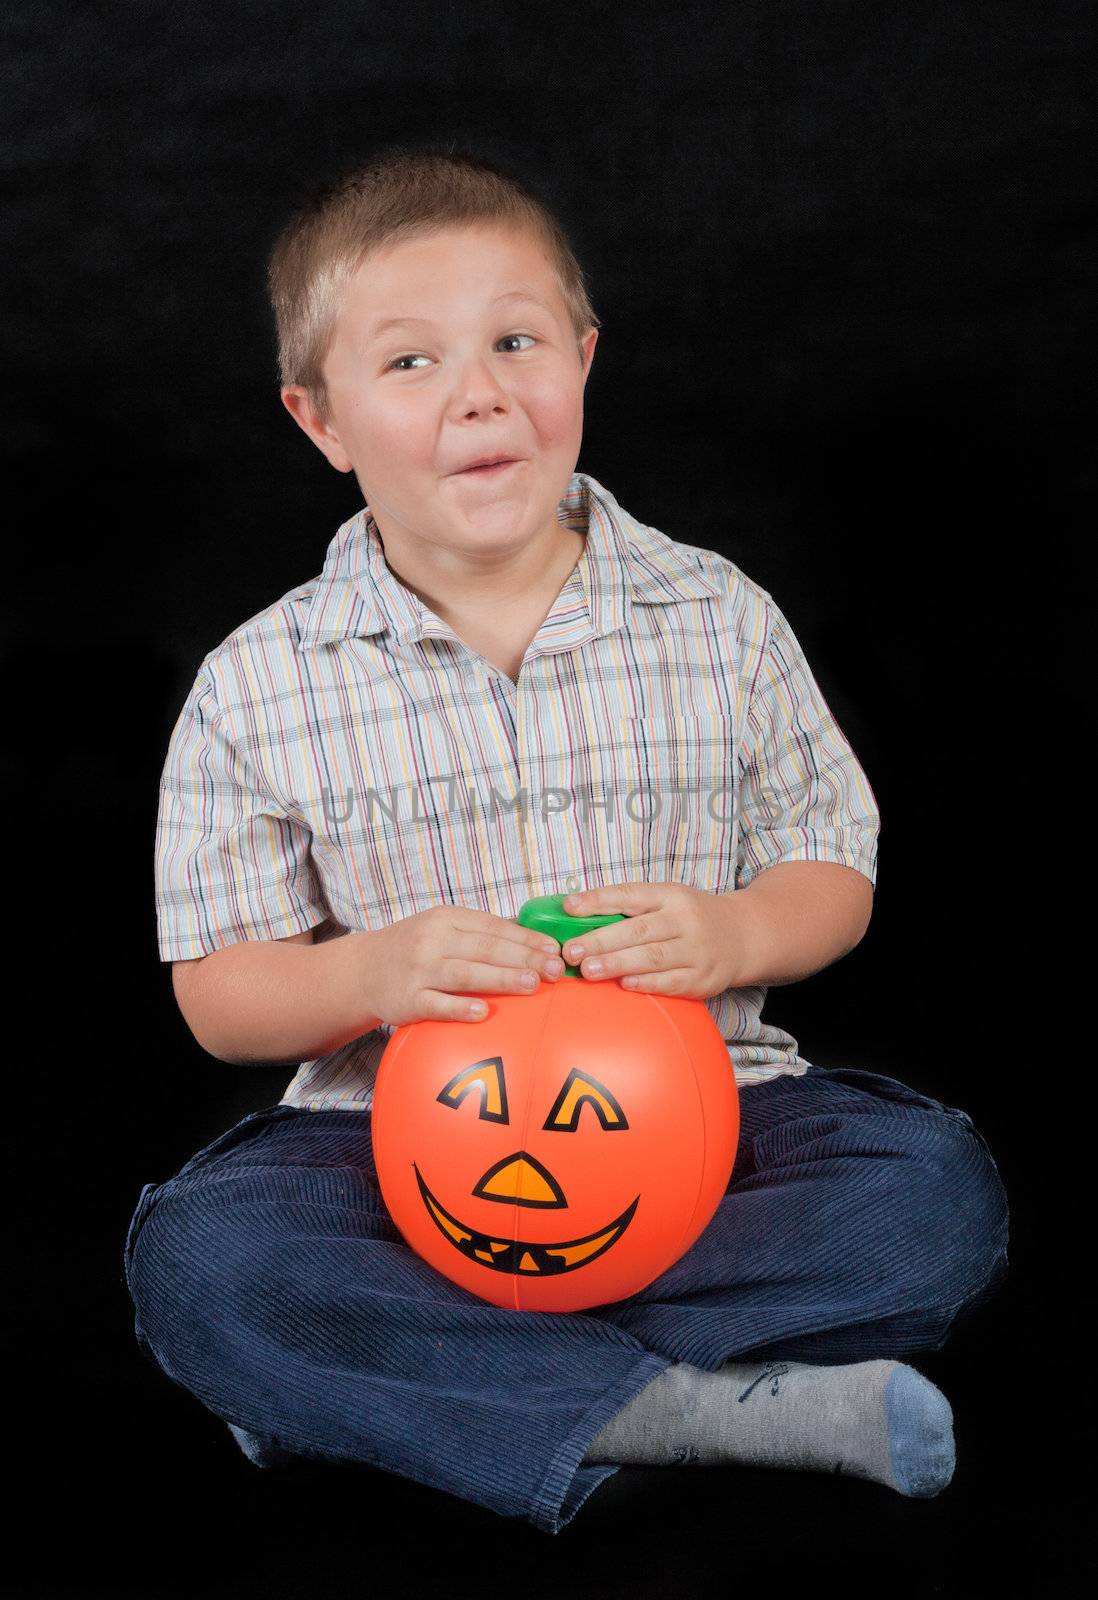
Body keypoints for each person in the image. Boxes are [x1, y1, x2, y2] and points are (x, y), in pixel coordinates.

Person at [124, 144, 1010, 1536]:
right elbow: (221, 995)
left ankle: (395, 1382)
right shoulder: (260, 680)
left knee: (929, 1201)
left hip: (710, 1120)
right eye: (409, 363)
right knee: (203, 1261)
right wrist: (371, 973)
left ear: (582, 362)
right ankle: (694, 1412)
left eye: (516, 340)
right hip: (390, 1153)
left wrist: (732, 932)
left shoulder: (715, 617)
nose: (478, 389)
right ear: (320, 421)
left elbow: (831, 871)